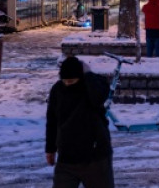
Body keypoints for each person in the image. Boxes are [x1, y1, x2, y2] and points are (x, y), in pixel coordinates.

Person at [45, 56, 114, 188]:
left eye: (72, 81)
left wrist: (88, 75)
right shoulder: (57, 90)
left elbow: (98, 98)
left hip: (95, 158)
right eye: (65, 81)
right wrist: (50, 149)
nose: (68, 84)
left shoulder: (93, 85)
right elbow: (52, 120)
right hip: (67, 158)